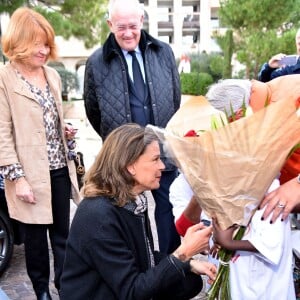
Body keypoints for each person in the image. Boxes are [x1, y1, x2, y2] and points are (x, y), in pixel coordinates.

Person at [60, 123, 217, 300]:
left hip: (119, 287)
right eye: (155, 159)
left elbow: (144, 256)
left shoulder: (133, 201)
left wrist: (189, 263)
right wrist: (183, 253)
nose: (162, 167)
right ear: (130, 166)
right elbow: (132, 292)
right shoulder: (98, 216)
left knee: (189, 281)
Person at [84, 0, 181, 254]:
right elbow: (93, 111)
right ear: (109, 25)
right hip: (123, 155)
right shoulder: (96, 62)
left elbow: (175, 99)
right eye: (120, 27)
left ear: (142, 22)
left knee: (167, 209)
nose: (127, 33)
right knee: (124, 212)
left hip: (162, 151)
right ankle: (134, 269)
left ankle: (172, 267)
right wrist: (117, 141)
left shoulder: (164, 53)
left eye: (132, 26)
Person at [0, 7, 80, 300]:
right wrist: (17, 178)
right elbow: (1, 134)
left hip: (58, 169)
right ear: (20, 41)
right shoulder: (4, 79)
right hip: (28, 175)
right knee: (35, 242)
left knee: (63, 237)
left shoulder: (52, 76)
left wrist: (65, 131)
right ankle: (41, 293)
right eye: (37, 43)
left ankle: (64, 288)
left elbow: (50, 120)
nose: (44, 50)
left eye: (47, 43)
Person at [211, 178, 296, 300]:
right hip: (239, 276)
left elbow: (270, 244)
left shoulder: (272, 190)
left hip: (264, 285)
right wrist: (219, 237)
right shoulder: (229, 187)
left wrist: (228, 243)